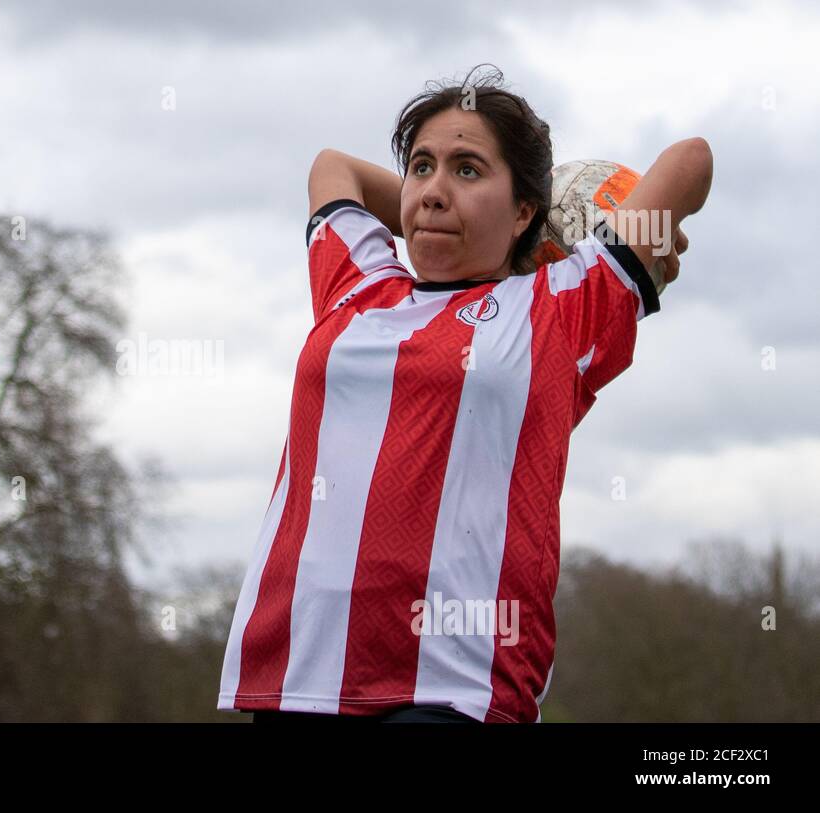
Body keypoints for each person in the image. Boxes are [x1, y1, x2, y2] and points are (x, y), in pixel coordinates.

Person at [217, 64, 712, 723]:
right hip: (297, 676)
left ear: (527, 210)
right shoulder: (358, 284)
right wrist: (449, 207)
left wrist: (626, 236)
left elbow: (690, 160)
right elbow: (333, 165)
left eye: (468, 169)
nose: (434, 189)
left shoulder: (555, 307)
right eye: (422, 166)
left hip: (454, 690)